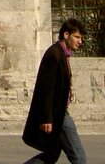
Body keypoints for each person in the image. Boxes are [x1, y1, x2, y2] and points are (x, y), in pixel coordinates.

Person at [22, 18, 88, 164]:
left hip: (59, 112)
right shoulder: (54, 54)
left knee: (51, 155)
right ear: (66, 34)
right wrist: (46, 118)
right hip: (59, 114)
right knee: (79, 157)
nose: (80, 41)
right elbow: (46, 89)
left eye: (81, 38)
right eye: (76, 37)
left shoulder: (62, 54)